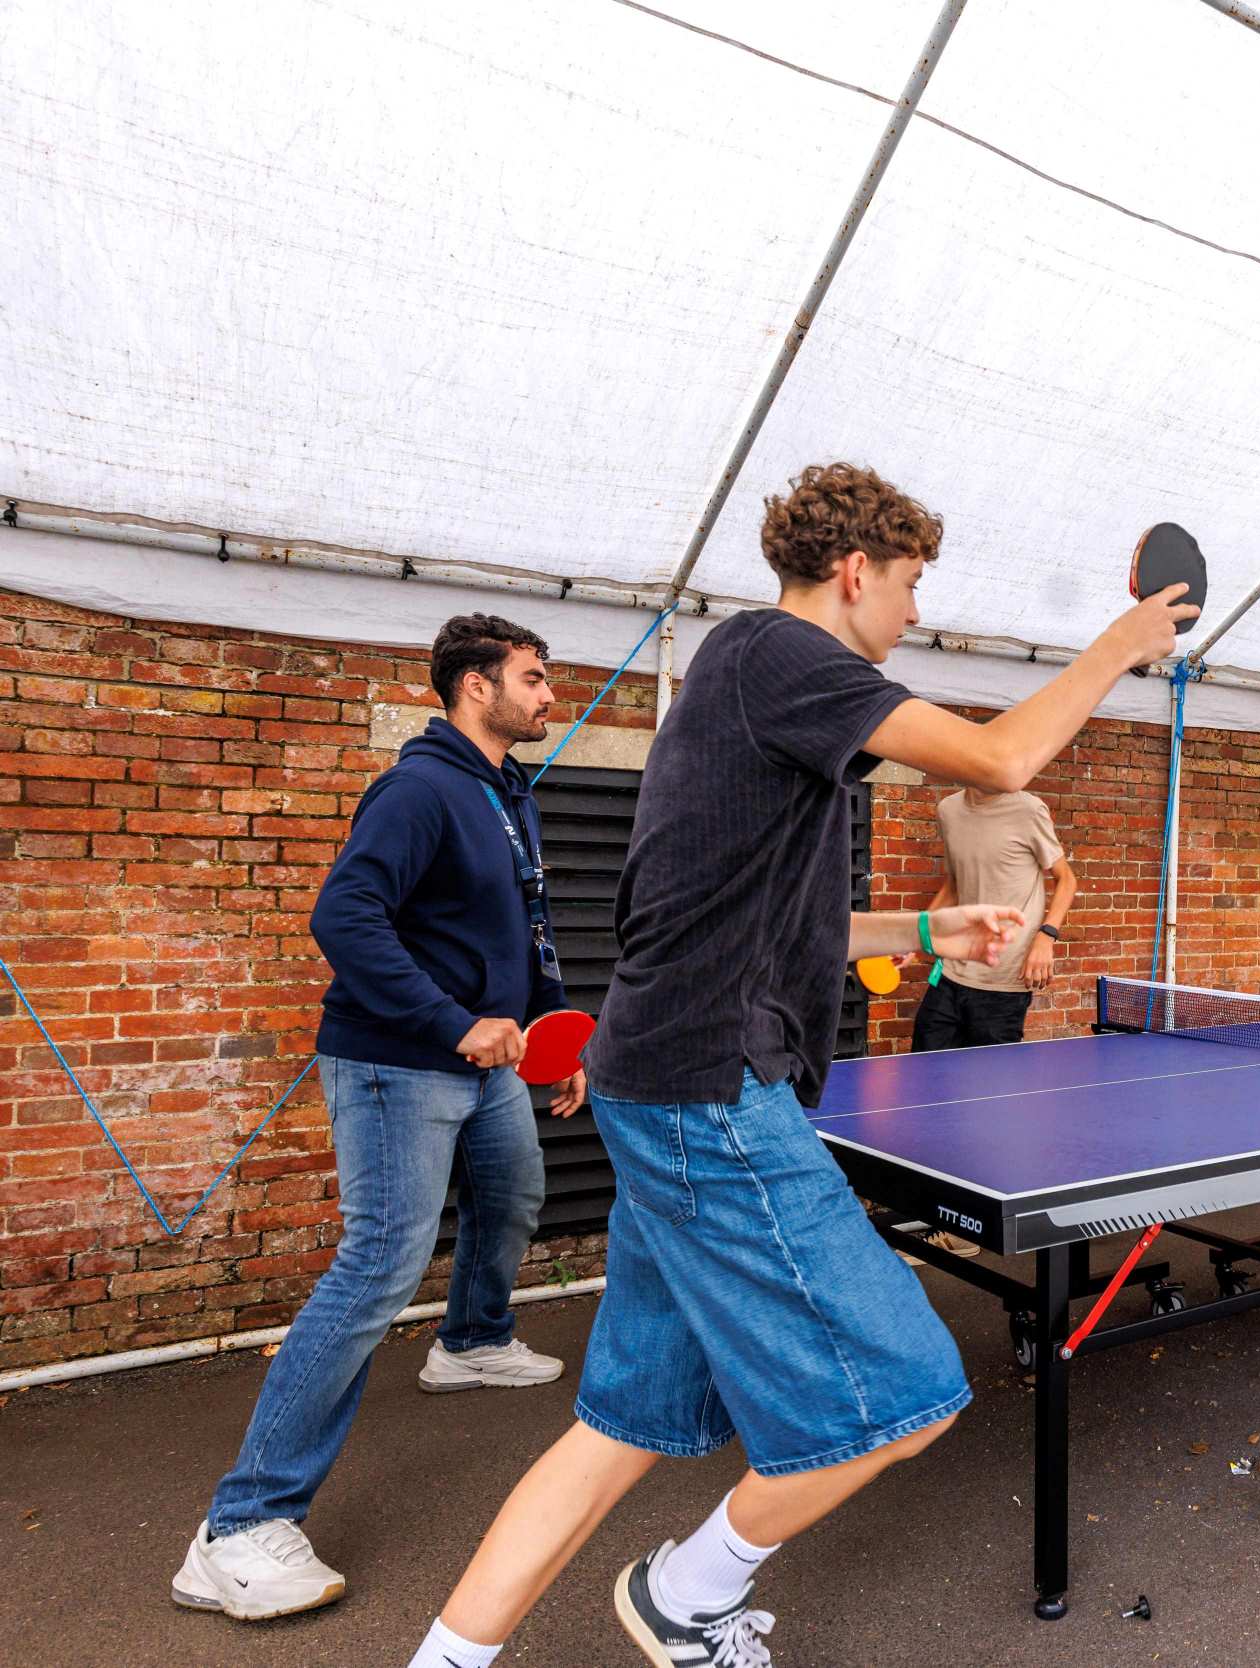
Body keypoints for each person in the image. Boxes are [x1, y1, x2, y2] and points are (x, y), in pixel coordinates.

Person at [402, 463, 1194, 1668]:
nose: (916, 613)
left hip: (658, 1084)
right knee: (906, 1394)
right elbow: (1002, 760)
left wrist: (927, 932)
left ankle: (443, 1662)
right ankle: (689, 1596)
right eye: (913, 584)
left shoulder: (753, 698)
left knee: (619, 1428)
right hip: (712, 1097)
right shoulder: (778, 653)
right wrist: (1118, 643)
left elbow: (759, 917)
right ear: (857, 571)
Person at [175, 615, 587, 1623]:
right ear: (473, 687)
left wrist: (550, 1037)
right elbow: (342, 915)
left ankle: (473, 1340)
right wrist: (453, 1025)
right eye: (532, 679)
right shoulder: (419, 789)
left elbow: (521, 924)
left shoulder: (506, 794)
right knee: (377, 1267)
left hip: (486, 1060)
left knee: (513, 1190)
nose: (548, 697)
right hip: (396, 1062)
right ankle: (237, 1528)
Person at [913, 786, 1078, 1050]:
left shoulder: (1029, 810)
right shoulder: (948, 811)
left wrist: (1046, 936)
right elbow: (954, 886)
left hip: (1002, 982)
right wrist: (915, 936)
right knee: (922, 1075)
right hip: (949, 973)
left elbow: (1066, 879)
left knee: (990, 1087)